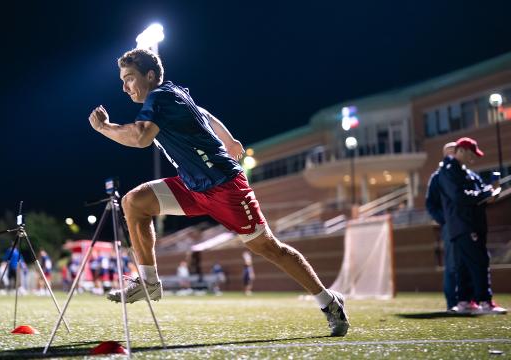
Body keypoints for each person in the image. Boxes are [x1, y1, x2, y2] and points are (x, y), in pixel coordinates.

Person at [88, 48, 349, 336]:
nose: (124, 87)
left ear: (150, 76)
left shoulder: (159, 97)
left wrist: (104, 127)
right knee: (134, 202)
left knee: (268, 248)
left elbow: (140, 137)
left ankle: (329, 301)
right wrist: (230, 138)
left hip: (225, 187)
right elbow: (205, 113)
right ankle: (149, 281)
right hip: (192, 185)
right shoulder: (174, 93)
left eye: (129, 79)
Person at [437, 137, 506, 314]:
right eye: (471, 154)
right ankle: (484, 301)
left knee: (465, 265)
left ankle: (465, 301)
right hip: (465, 224)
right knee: (480, 261)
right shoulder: (450, 170)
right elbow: (460, 196)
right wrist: (485, 193)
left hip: (465, 224)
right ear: (461, 151)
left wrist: (491, 191)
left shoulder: (463, 171)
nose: (474, 158)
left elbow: (477, 194)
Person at [425, 142, 474, 313]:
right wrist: (445, 220)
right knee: (452, 264)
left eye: (455, 151)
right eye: (450, 152)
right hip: (451, 226)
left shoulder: (465, 174)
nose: (453, 155)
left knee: (468, 263)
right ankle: (452, 303)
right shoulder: (438, 177)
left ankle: (468, 300)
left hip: (466, 225)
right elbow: (430, 205)